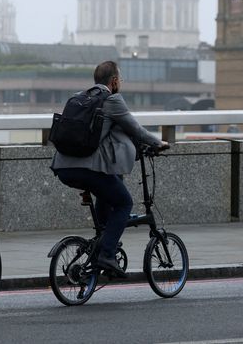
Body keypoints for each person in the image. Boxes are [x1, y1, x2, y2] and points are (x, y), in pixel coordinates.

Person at [51, 61, 168, 277]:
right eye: (120, 79)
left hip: (63, 167)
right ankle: (106, 253)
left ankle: (102, 244)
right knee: (124, 202)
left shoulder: (78, 97)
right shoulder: (112, 100)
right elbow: (136, 129)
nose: (120, 83)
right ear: (114, 81)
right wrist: (158, 144)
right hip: (88, 169)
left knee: (108, 191)